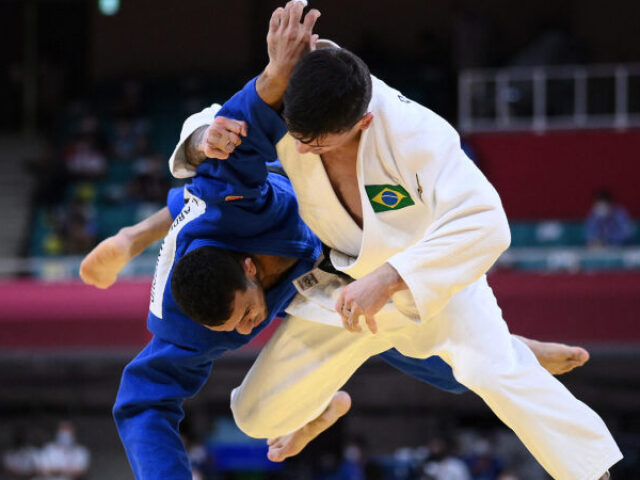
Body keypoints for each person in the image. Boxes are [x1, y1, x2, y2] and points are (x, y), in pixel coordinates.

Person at [171, 3, 620, 478]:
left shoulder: (415, 134)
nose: (300, 149)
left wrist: (390, 278)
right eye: (297, 136)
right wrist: (203, 138)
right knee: (255, 414)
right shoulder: (294, 97)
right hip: (340, 293)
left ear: (362, 123)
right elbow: (216, 120)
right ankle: (325, 407)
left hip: (425, 280)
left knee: (492, 372)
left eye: (317, 143)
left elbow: (488, 222)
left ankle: (593, 469)